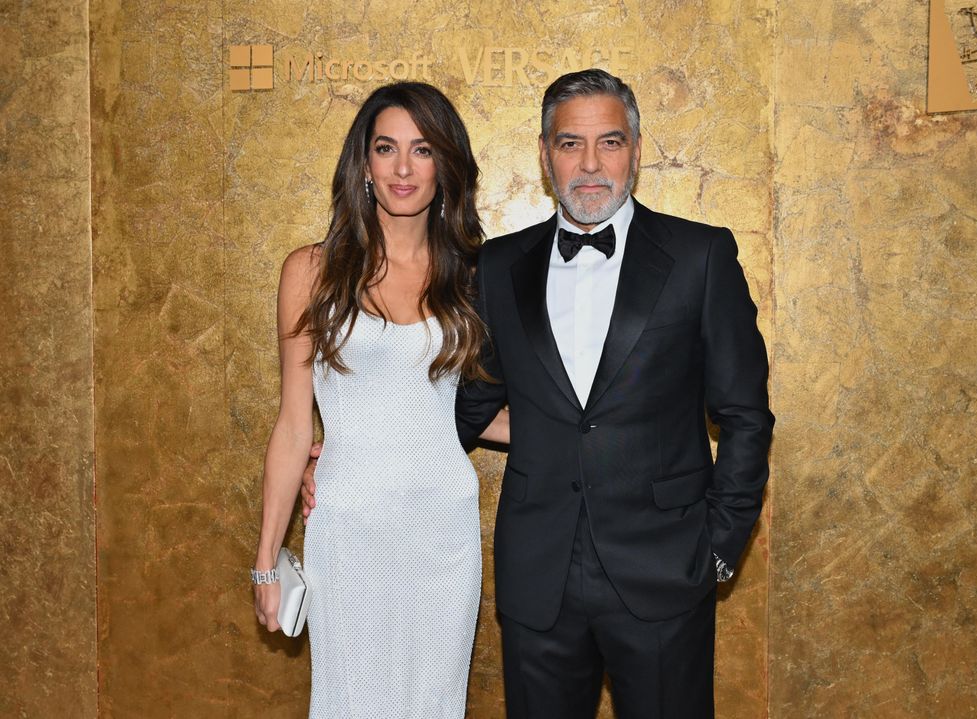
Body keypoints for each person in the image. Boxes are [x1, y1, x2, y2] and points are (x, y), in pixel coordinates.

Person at [304, 68, 773, 718]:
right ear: (545, 152)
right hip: (538, 581)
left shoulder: (701, 256)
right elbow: (460, 407)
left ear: (635, 151)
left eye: (608, 142)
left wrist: (720, 547)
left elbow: (745, 414)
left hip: (667, 573)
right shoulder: (498, 266)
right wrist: (344, 454)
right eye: (569, 143)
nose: (588, 163)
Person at [251, 81, 508, 719]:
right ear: (363, 164)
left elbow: (475, 415)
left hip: (440, 526)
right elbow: (291, 425)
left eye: (422, 150)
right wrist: (264, 561)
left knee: (432, 703)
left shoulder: (476, 277)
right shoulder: (311, 272)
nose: (401, 167)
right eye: (386, 147)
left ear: (445, 166)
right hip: (349, 522)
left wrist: (593, 434)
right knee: (348, 700)